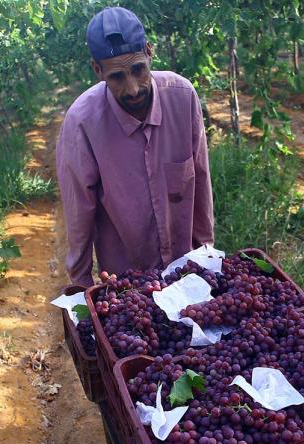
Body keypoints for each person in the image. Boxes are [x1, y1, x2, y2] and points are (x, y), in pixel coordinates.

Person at [56, 6, 214, 287]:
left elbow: (201, 182)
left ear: (149, 52)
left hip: (186, 274)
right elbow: (79, 214)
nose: (132, 89)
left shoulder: (183, 97)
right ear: (97, 69)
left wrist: (207, 260)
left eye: (138, 70)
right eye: (117, 77)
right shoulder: (82, 123)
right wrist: (81, 288)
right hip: (128, 285)